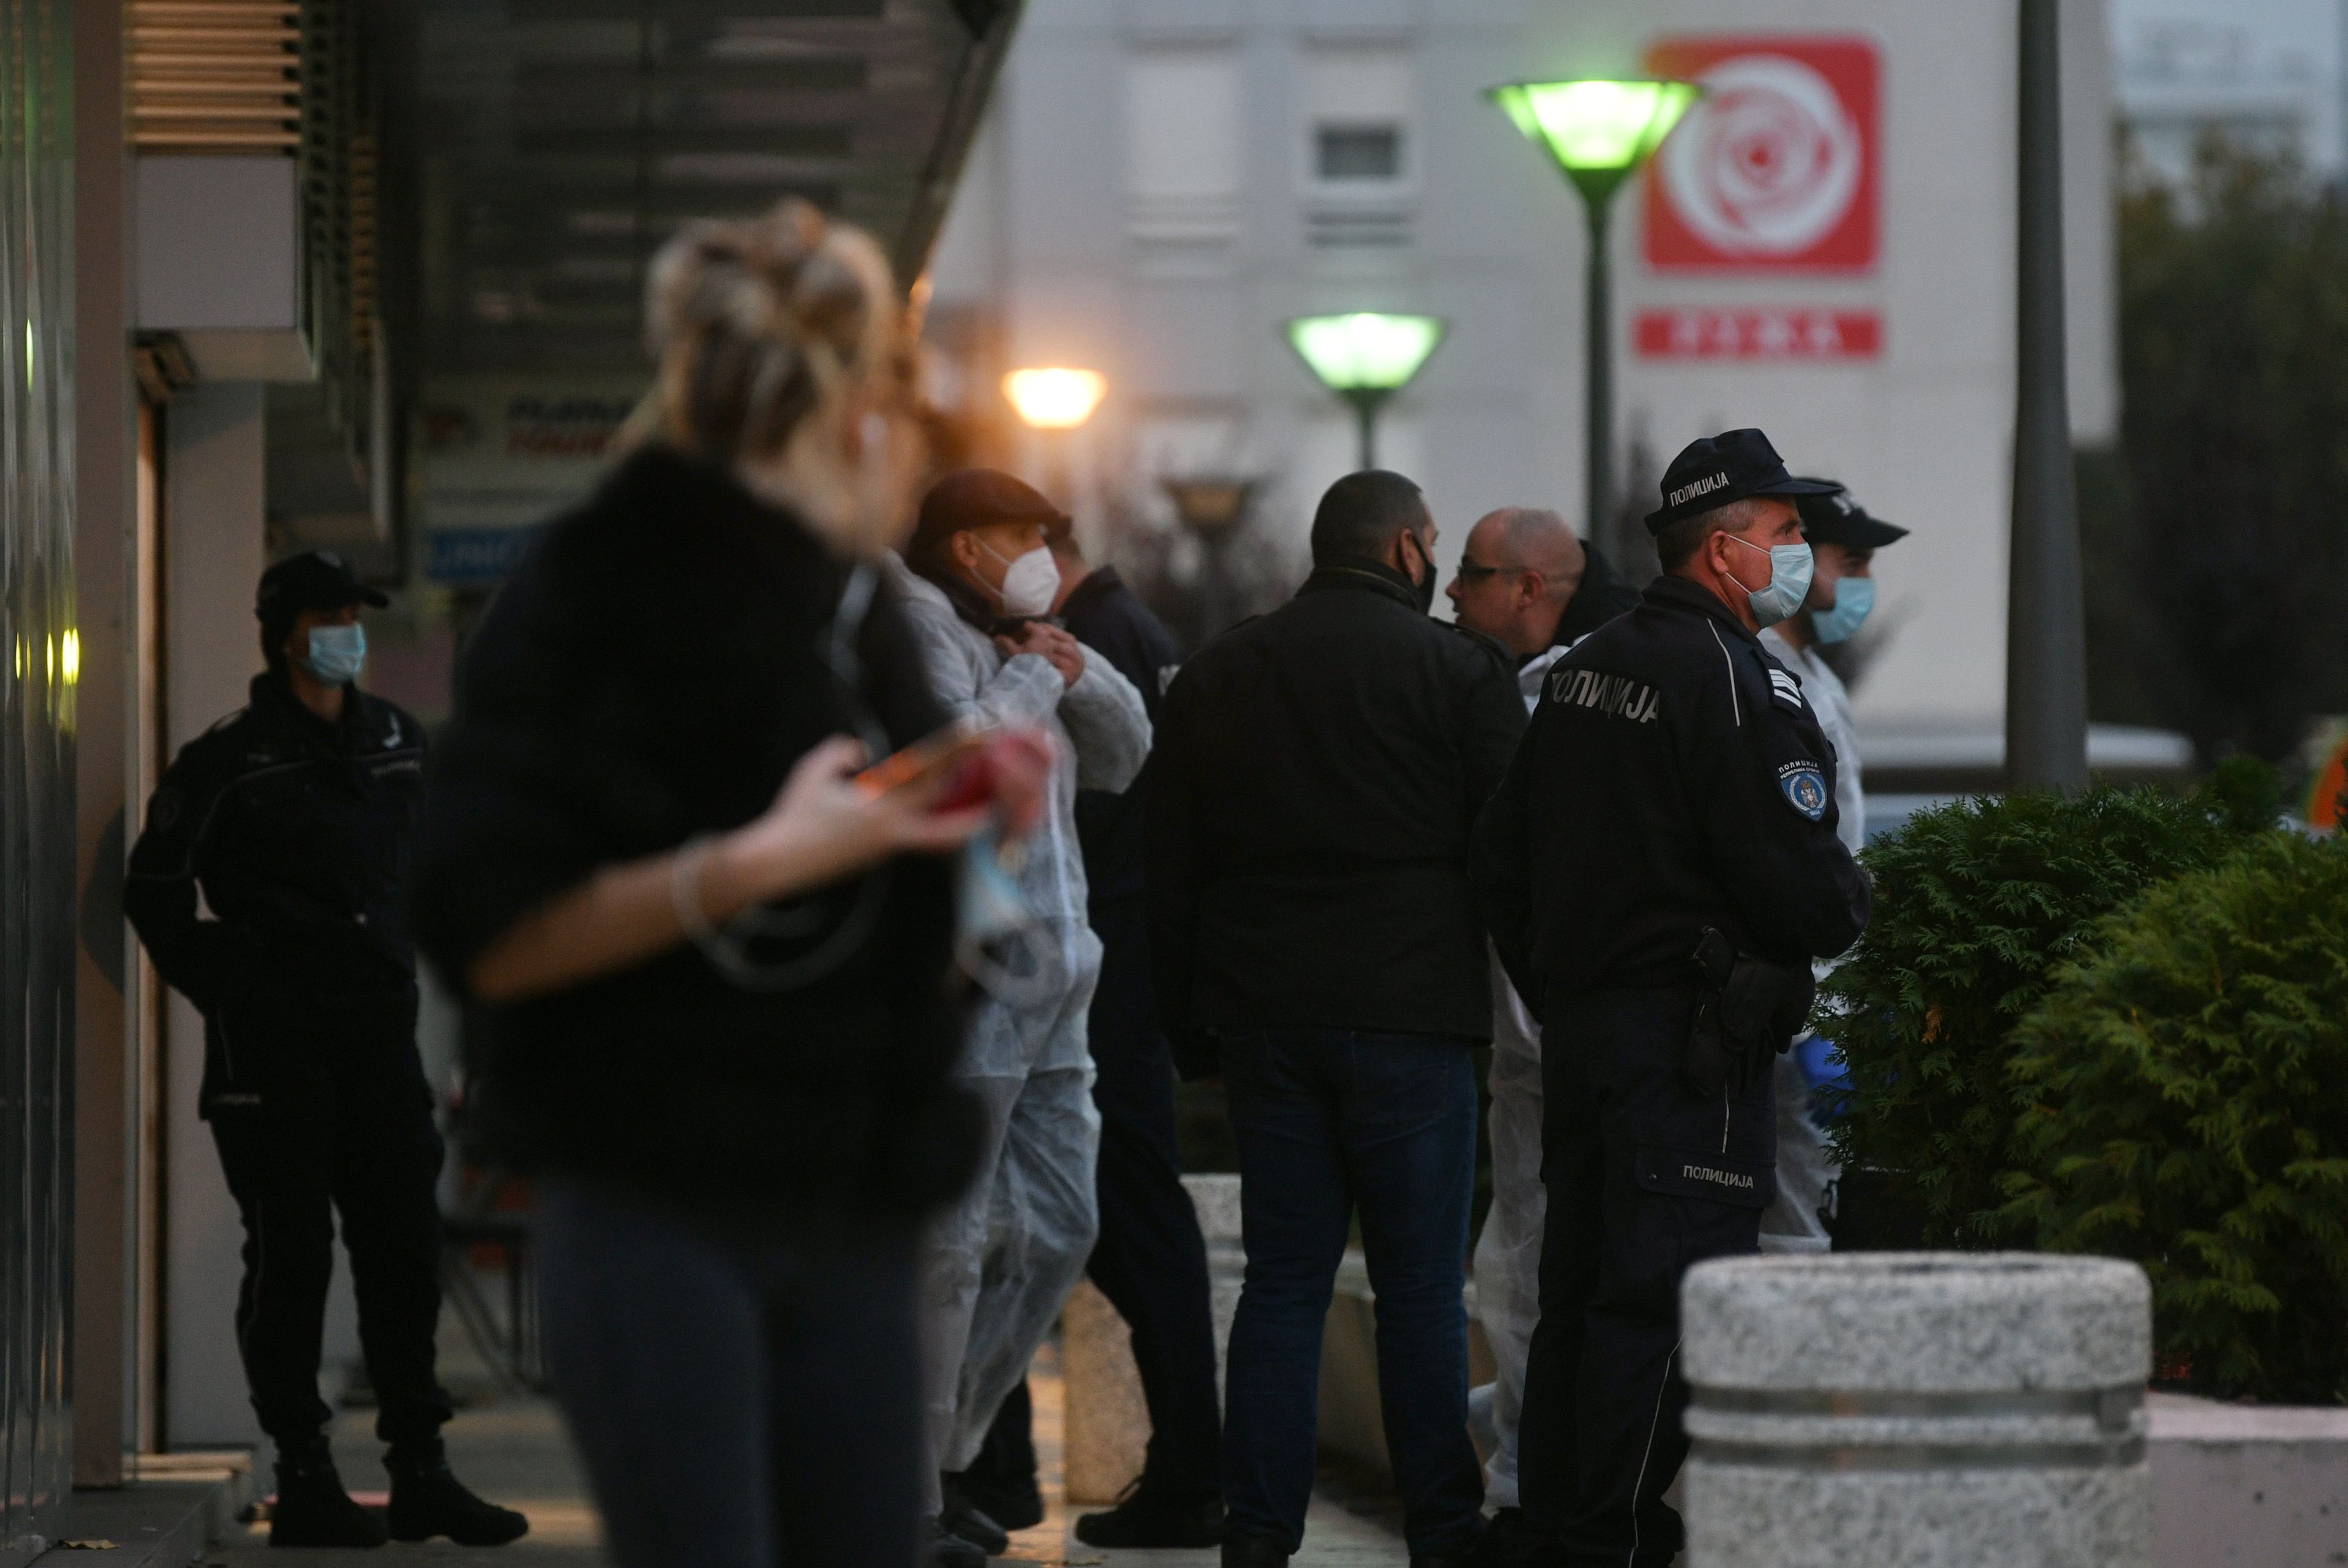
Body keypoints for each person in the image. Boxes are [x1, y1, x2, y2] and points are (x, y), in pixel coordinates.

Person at [409, 200, 1045, 1568]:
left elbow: (903, 963)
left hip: (853, 1202)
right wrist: (758, 861)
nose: (912, 430)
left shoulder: (856, 614)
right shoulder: (593, 592)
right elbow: (485, 928)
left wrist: (965, 833)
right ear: (840, 406)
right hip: (652, 1197)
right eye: (894, 392)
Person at [1472, 429, 1871, 1567]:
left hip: (1595, 1039)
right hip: (1687, 1052)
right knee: (1670, 1303)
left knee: (1583, 1292)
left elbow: (1498, 861)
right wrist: (1843, 907)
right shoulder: (1733, 679)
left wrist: (1563, 980)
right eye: (1787, 532)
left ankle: (1551, 1528)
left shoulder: (1586, 669)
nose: (1799, 551)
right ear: (1722, 547)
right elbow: (1803, 879)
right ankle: (1607, 1541)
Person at [1149, 470, 1526, 1568]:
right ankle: (1444, 1533)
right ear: (1406, 548)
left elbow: (1172, 867)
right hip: (1411, 1013)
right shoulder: (1461, 670)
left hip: (1267, 1017)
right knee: (1417, 1290)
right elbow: (1509, 858)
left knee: (1282, 1283)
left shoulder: (1220, 669)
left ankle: (1258, 1532)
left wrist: (1189, 1029)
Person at [124, 549, 527, 1550]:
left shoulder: (395, 739)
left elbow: (439, 862)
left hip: (378, 1034)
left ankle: (420, 1468)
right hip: (273, 1045)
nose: (347, 628)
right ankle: (302, 1466)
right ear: (286, 628)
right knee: (292, 1252)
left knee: (400, 1247)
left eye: (354, 611)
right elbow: (155, 888)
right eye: (329, 613)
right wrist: (236, 976)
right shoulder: (227, 758)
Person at [893, 469, 1153, 1565]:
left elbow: (1131, 752)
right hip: (972, 975)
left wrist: (1072, 663)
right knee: (945, 1246)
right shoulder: (916, 625)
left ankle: (949, 1453)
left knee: (1060, 1226)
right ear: (963, 546)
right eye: (1019, 534)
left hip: (1061, 977)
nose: (1042, 551)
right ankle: (909, 1494)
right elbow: (959, 760)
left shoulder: (1029, 633)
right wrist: (1034, 681)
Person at [960, 522, 1226, 1549]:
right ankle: (1002, 1462)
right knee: (1088, 1213)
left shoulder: (1090, 636)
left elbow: (1077, 812)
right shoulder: (1131, 628)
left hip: (1088, 972)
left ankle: (1158, 1463)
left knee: (1094, 1215)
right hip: (1107, 968)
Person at [1439, 506, 1608, 1538]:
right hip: (1554, 1036)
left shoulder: (1561, 694)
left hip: (1567, 1034)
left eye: (1465, 573)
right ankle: (1527, 1479)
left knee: (1545, 1259)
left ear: (1527, 588)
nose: (1448, 594)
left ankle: (1531, 1487)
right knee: (1525, 1257)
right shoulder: (1529, 687)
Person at [1755, 481, 1908, 1254]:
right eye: (1851, 561)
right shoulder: (1754, 673)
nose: (1862, 584)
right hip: (1784, 992)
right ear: (1792, 556)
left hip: (1819, 991)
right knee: (1789, 1217)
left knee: (1812, 1204)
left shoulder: (1820, 681)